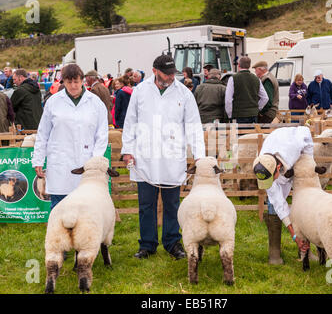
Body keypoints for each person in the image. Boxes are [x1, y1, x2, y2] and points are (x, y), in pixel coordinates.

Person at [121, 54, 205, 260]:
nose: (170, 77)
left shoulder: (184, 93)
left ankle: (172, 242)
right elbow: (130, 122)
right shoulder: (140, 92)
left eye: (172, 74)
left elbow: (194, 126)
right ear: (154, 71)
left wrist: (199, 156)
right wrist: (127, 149)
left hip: (171, 156)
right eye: (166, 74)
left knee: (172, 204)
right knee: (146, 204)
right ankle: (147, 245)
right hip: (145, 156)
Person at [32, 64, 108, 210]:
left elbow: (102, 135)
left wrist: (95, 160)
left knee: (87, 208)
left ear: (82, 81)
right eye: (69, 82)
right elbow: (43, 133)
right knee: (59, 208)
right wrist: (38, 159)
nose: (73, 86)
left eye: (76, 82)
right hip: (60, 162)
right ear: (63, 82)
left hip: (86, 161)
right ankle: (58, 233)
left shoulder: (95, 103)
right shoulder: (53, 102)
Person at [253, 126, 313, 264]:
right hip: (282, 161)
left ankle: (307, 251)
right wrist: (293, 234)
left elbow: (305, 131)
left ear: (278, 168)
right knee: (273, 203)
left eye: (271, 178)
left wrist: (308, 159)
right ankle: (274, 253)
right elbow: (278, 202)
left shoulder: (294, 144)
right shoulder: (264, 164)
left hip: (297, 158)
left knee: (304, 202)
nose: (270, 182)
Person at [225, 56, 268, 124]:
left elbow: (228, 99)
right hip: (253, 115)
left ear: (239, 65)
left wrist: (230, 114)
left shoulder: (233, 79)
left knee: (240, 134)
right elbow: (265, 98)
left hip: (238, 115)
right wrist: (257, 109)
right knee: (251, 134)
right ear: (249, 66)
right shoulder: (257, 79)